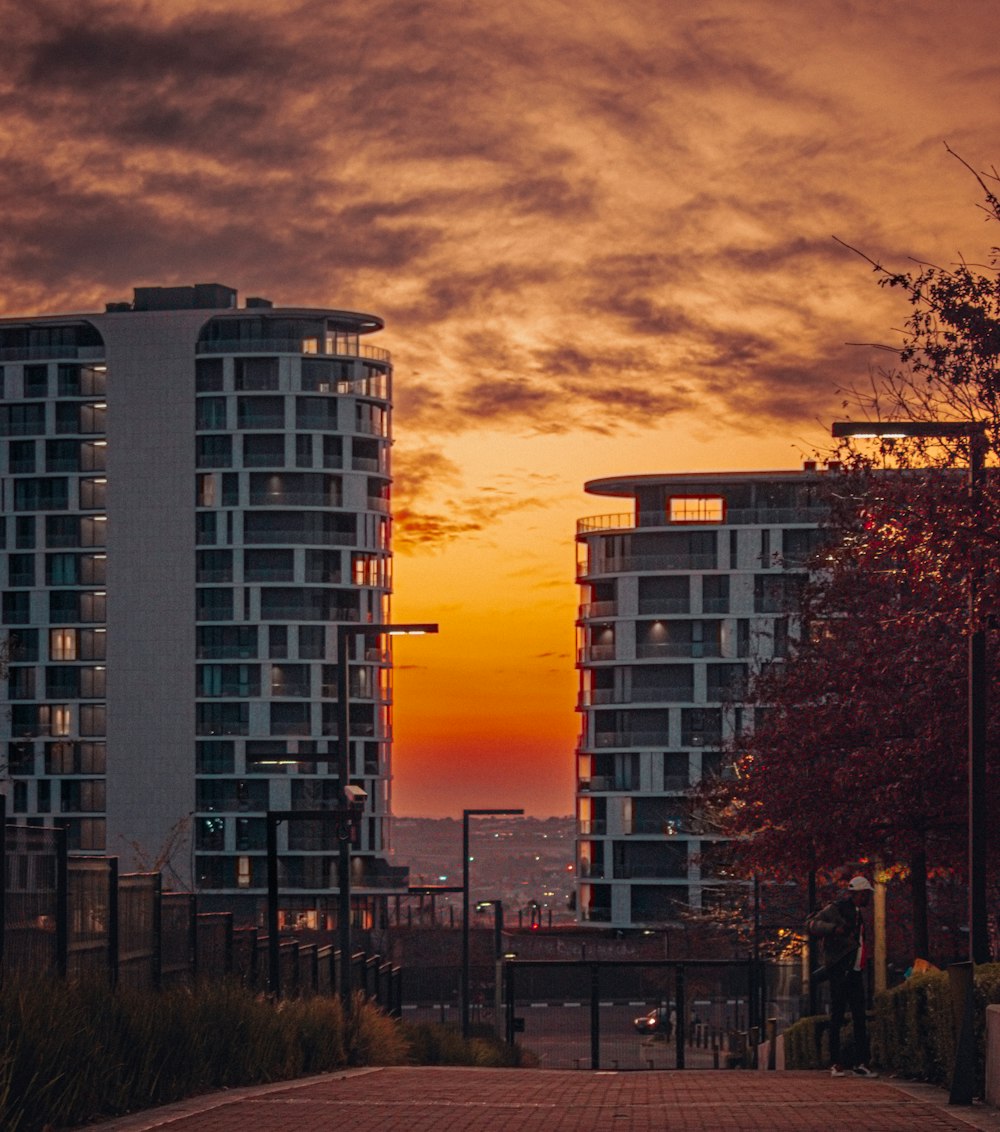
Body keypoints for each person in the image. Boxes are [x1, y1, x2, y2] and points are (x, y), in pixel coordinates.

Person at [807, 875, 879, 1078]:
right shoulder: (837, 909)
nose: (868, 898)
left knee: (858, 1017)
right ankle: (837, 1063)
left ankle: (860, 1063)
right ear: (858, 894)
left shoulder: (856, 913)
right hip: (841, 970)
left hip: (853, 970)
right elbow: (812, 925)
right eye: (866, 894)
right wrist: (833, 930)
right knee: (838, 1016)